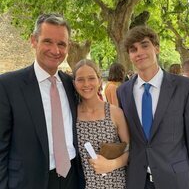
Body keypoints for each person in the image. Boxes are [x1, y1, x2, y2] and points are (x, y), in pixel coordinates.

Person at [0, 13, 84, 189]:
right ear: (33, 41)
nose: (55, 50)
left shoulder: (71, 84)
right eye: (47, 41)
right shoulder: (8, 85)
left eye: (61, 44)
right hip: (29, 182)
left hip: (72, 179)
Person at [117, 25, 189, 189]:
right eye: (133, 49)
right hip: (137, 180)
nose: (139, 52)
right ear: (129, 56)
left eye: (144, 45)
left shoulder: (186, 87)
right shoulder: (123, 91)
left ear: (157, 48)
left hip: (175, 180)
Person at [73, 59, 130, 189]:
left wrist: (112, 164)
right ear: (74, 83)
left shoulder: (115, 113)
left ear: (99, 80)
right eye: (80, 79)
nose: (86, 84)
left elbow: (131, 149)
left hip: (115, 184)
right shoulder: (71, 114)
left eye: (91, 78)